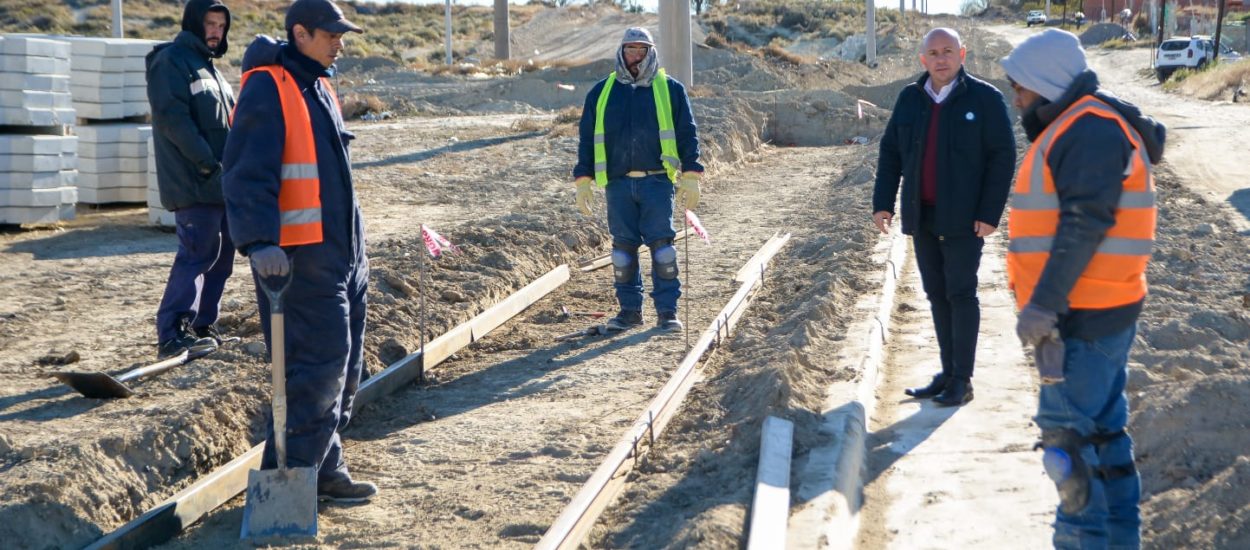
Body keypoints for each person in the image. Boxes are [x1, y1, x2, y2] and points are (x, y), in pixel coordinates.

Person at [1001, 29, 1164, 549]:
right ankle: (1118, 541)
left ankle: (1082, 540)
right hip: (1101, 310)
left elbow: (1084, 223)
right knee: (1103, 438)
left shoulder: (1087, 129)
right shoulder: (1086, 124)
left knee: (1067, 446)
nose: (1016, 97)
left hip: (1083, 317)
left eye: (1020, 87)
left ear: (1045, 82)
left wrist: (1044, 305)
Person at [222, 0, 374, 503]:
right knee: (316, 366)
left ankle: (325, 466)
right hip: (299, 260)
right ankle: (286, 486)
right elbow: (246, 170)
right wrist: (260, 241)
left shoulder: (320, 86)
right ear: (300, 33)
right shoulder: (268, 86)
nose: (340, 41)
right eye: (330, 34)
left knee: (344, 367)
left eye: (341, 34)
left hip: (343, 254)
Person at [871, 28, 1016, 406]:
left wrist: (990, 213)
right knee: (936, 294)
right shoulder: (910, 99)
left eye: (948, 51)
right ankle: (948, 371)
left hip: (966, 219)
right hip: (923, 214)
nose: (941, 59)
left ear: (962, 54)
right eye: (933, 53)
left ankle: (962, 380)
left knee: (961, 293)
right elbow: (891, 154)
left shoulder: (985, 99)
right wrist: (882, 202)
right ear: (923, 60)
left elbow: (1002, 157)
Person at [572, 27, 704, 333]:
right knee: (622, 251)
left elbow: (687, 133)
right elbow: (587, 140)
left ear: (650, 52)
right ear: (621, 52)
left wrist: (691, 174)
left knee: (663, 249)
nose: (635, 56)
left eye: (641, 50)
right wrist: (583, 178)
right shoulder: (601, 93)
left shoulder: (670, 89)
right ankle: (629, 312)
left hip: (656, 182)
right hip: (618, 184)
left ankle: (667, 313)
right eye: (630, 49)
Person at [146, 0, 235, 359]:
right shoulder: (172, 62)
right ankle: (172, 332)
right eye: (210, 24)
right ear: (193, 23)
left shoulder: (212, 71)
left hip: (221, 184)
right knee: (197, 254)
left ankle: (201, 324)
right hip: (195, 182)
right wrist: (207, 165)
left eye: (221, 26)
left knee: (222, 256)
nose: (215, 31)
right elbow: (173, 121)